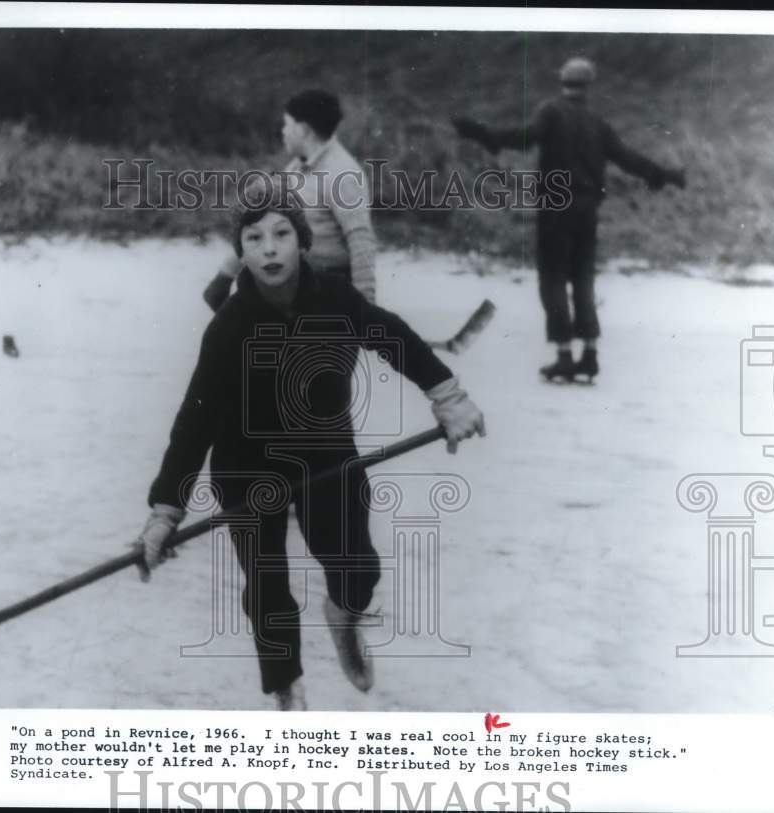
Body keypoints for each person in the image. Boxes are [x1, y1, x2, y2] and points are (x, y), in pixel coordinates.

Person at [138, 184, 484, 711]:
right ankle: (287, 688)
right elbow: (196, 420)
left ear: (302, 242)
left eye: (281, 234)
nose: (269, 249)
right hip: (247, 466)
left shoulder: (335, 298)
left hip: (325, 453)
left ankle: (343, 615)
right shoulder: (229, 327)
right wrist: (165, 511)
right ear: (243, 253)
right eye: (254, 239)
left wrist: (448, 397)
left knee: (358, 568)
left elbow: (395, 338)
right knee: (267, 587)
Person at [452, 57, 686, 382]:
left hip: (555, 209)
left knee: (553, 279)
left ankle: (564, 355)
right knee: (582, 279)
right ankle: (589, 355)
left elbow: (526, 136)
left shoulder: (551, 111)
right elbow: (627, 157)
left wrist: (485, 135)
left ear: (562, 81)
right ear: (588, 86)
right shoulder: (596, 121)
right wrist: (664, 175)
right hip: (587, 211)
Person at [203, 89, 378, 310]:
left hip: (330, 290)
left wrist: (367, 308)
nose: (283, 132)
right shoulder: (296, 169)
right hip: (294, 286)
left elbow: (361, 241)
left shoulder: (342, 174)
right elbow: (257, 220)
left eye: (287, 125)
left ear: (304, 130)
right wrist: (225, 276)